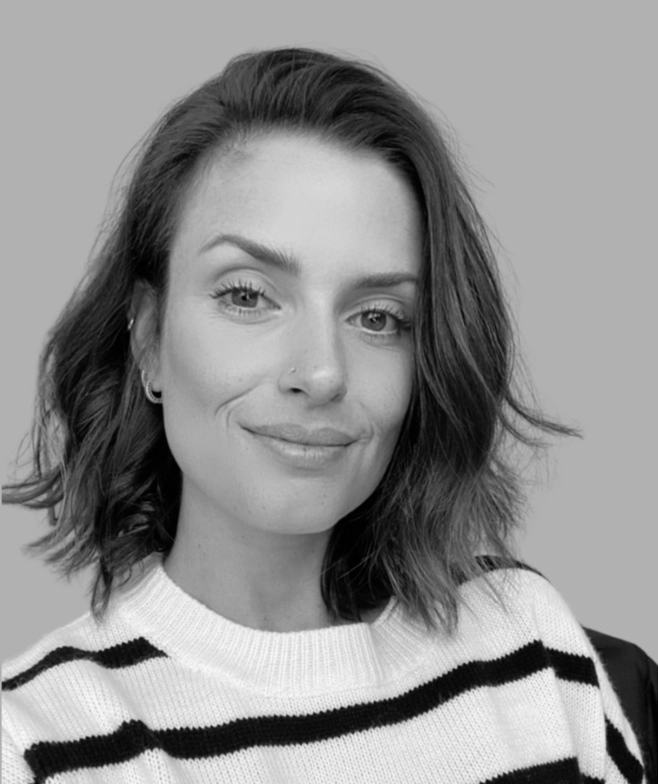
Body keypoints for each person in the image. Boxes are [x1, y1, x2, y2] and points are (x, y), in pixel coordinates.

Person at [1, 47, 647, 783]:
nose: (322, 372)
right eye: (247, 296)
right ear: (148, 339)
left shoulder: (529, 649)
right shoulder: (36, 742)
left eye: (377, 316)